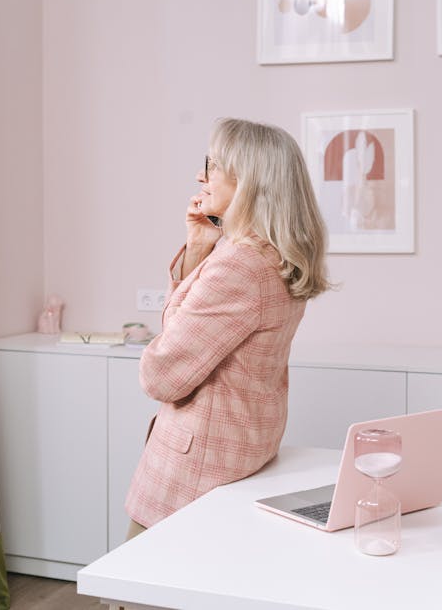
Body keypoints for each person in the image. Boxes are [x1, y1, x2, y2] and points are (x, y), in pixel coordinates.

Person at [124, 117, 330, 537]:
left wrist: (205, 256)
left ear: (249, 181)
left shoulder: (239, 266)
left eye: (213, 165)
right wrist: (199, 247)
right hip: (240, 454)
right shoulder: (273, 258)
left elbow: (161, 376)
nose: (200, 176)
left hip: (192, 472)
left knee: (135, 598)